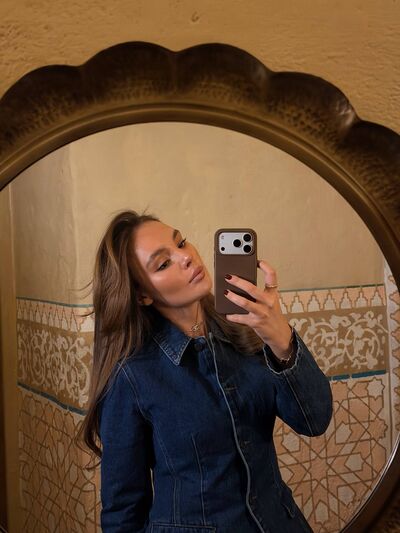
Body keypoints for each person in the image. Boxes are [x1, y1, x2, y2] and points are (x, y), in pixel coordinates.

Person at [79, 210, 333, 533]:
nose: (186, 257)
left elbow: (314, 421)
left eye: (181, 243)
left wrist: (281, 337)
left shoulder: (246, 331)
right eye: (164, 263)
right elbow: (123, 512)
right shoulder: (132, 376)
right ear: (142, 295)